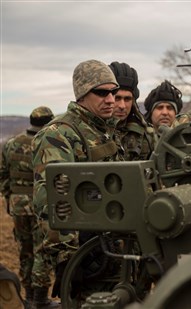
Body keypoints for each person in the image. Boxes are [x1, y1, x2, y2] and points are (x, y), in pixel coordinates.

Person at [32, 59, 123, 302]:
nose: (111, 99)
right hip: (88, 257)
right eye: (102, 93)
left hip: (117, 253)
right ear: (82, 95)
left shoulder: (106, 130)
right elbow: (51, 200)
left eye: (113, 92)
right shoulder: (58, 135)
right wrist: (69, 259)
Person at [0, 106, 56, 308]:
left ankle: (29, 295)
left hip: (18, 206)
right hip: (41, 205)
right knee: (42, 251)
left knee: (25, 250)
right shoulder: (49, 143)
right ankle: (40, 299)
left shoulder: (12, 144)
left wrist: (9, 199)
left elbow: (3, 176)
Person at [109, 61, 155, 160]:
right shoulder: (93, 132)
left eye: (127, 99)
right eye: (117, 98)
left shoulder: (146, 135)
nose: (122, 106)